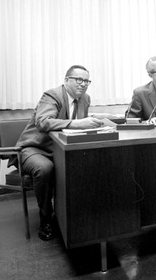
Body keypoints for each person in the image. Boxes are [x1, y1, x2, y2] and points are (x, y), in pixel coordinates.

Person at [13, 65, 104, 241]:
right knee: (45, 168)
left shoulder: (85, 99)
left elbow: (77, 129)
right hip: (34, 149)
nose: (83, 84)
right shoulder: (52, 95)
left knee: (86, 162)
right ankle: (46, 219)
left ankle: (75, 216)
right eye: (79, 80)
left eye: (87, 81)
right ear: (66, 80)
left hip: (59, 149)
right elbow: (44, 122)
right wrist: (76, 124)